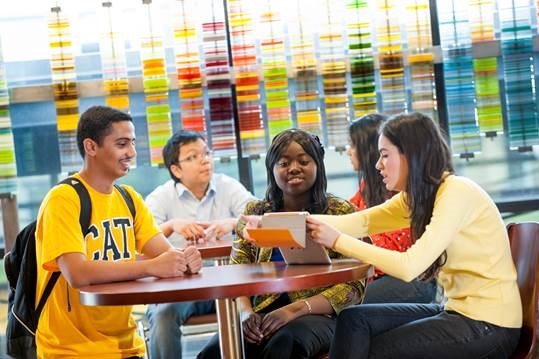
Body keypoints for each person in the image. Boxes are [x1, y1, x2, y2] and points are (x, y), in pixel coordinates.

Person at [307, 112, 521, 358]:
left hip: (489, 325)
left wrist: (336, 241)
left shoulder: (456, 192)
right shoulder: (420, 197)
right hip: (456, 311)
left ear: (411, 155)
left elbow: (409, 266)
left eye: (385, 155)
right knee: (353, 319)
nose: (378, 165)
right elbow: (361, 222)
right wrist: (288, 223)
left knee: (373, 350)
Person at [34, 106, 202, 358]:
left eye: (133, 143)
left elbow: (165, 255)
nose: (132, 153)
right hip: (71, 350)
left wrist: (185, 259)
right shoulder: (63, 198)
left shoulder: (129, 198)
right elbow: (77, 273)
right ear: (91, 147)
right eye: (122, 144)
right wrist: (150, 267)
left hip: (126, 346)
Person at [198, 129, 365, 359]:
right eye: (283, 163)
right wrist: (245, 313)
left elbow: (354, 287)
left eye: (304, 161)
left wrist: (294, 310)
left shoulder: (340, 212)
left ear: (318, 165)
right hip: (260, 314)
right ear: (272, 169)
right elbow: (234, 274)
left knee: (283, 346)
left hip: (320, 314)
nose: (294, 168)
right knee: (213, 353)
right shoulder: (255, 213)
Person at [145, 130, 255, 359]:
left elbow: (260, 217)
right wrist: (172, 225)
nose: (204, 160)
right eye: (192, 157)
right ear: (176, 169)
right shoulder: (160, 197)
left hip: (231, 283)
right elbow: (140, 239)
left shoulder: (227, 186)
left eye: (206, 153)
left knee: (256, 314)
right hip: (182, 288)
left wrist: (232, 223)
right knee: (163, 314)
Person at [347, 114, 437, 304]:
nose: (349, 151)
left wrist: (341, 240)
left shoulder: (398, 187)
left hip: (413, 280)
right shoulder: (368, 185)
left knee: (345, 303)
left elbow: (401, 250)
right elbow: (349, 216)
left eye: (353, 145)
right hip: (384, 276)